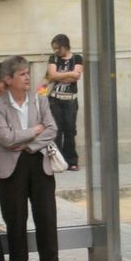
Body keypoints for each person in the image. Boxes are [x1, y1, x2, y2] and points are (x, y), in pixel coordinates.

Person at [0, 55, 60, 261]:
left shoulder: (40, 100)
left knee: (46, 214)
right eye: (22, 74)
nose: (27, 77)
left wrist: (29, 142)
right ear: (8, 79)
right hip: (9, 166)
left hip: (38, 160)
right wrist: (34, 130)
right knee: (15, 216)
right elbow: (5, 138)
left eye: (28, 73)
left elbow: (52, 129)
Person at [45, 34, 83, 170]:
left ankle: (71, 161)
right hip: (55, 99)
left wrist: (62, 76)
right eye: (54, 49)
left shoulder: (77, 58)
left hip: (70, 100)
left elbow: (76, 77)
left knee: (70, 130)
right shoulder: (53, 58)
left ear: (65, 46)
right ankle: (57, 161)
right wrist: (70, 74)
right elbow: (52, 75)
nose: (56, 51)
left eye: (58, 48)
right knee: (56, 130)